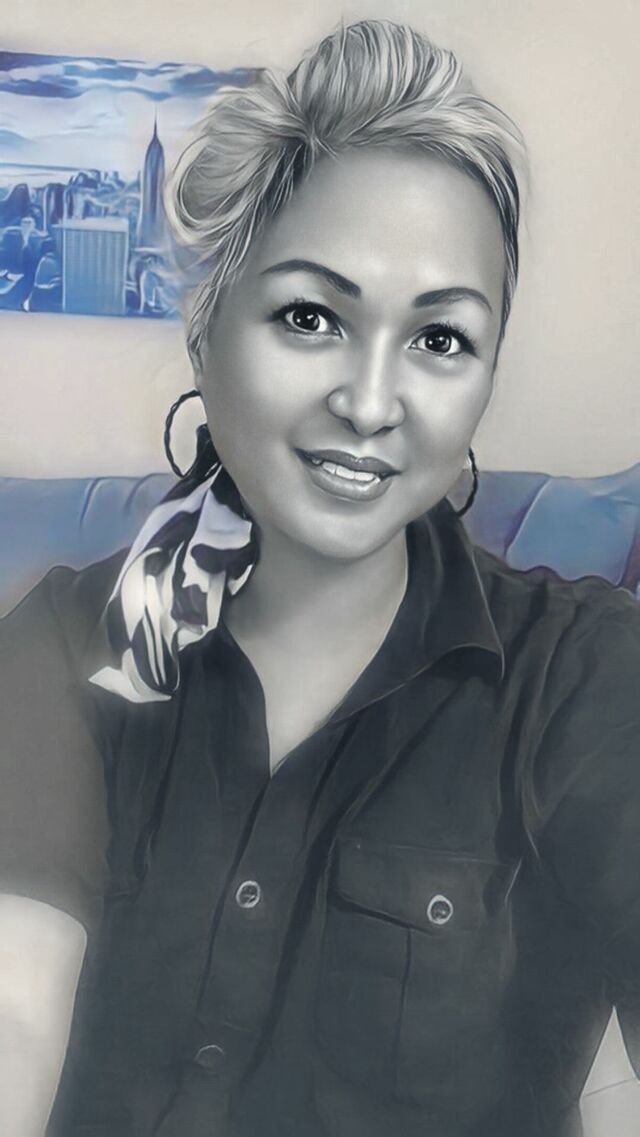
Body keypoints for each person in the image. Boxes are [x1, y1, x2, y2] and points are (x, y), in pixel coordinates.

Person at [0, 18, 639, 1137]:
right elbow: (13, 1005)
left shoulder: (588, 678)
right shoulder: (67, 640)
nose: (372, 401)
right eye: (310, 315)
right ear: (207, 331)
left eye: (440, 339)